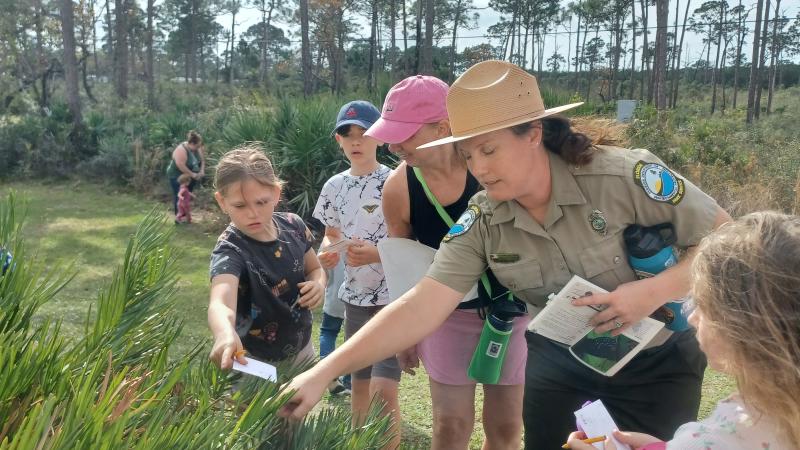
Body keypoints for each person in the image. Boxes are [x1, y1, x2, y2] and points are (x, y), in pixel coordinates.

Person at [364, 74, 528, 450]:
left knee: (505, 427)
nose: (393, 145)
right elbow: (403, 264)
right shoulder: (398, 187)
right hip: (444, 316)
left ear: (444, 127)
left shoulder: (490, 170)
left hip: (510, 313)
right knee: (450, 425)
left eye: (404, 133)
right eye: (390, 133)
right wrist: (407, 332)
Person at [566, 211, 799, 450]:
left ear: (737, 327)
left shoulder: (718, 437)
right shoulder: (775, 410)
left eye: (701, 304)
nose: (692, 316)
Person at [312, 100, 400, 448]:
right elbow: (331, 233)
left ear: (379, 136)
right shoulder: (334, 186)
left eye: (363, 132)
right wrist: (326, 253)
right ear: (338, 141)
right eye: (347, 134)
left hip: (393, 301)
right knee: (359, 384)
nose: (356, 141)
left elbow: (411, 239)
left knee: (384, 388)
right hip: (354, 299)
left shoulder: (395, 182)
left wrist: (378, 254)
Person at [207, 146, 325, 371]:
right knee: (260, 408)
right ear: (222, 202)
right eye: (240, 205)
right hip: (252, 362)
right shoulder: (230, 250)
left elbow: (315, 268)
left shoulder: (294, 225)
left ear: (276, 194)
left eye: (261, 202)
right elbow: (221, 302)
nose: (253, 213)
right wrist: (224, 333)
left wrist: (318, 284)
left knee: (300, 406)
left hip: (302, 348)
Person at [319, 260, 351, 395]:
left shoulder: (330, 239)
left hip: (333, 298)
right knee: (352, 338)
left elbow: (321, 266)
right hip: (355, 298)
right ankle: (349, 380)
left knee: (328, 333)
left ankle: (328, 377)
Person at [167, 131, 206, 220]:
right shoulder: (181, 150)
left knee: (187, 196)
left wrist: (202, 170)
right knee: (180, 195)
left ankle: (185, 215)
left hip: (189, 176)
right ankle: (179, 217)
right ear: (192, 143)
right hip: (177, 175)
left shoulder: (197, 147)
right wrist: (193, 174)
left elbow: (202, 160)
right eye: (197, 146)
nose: (198, 148)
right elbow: (181, 165)